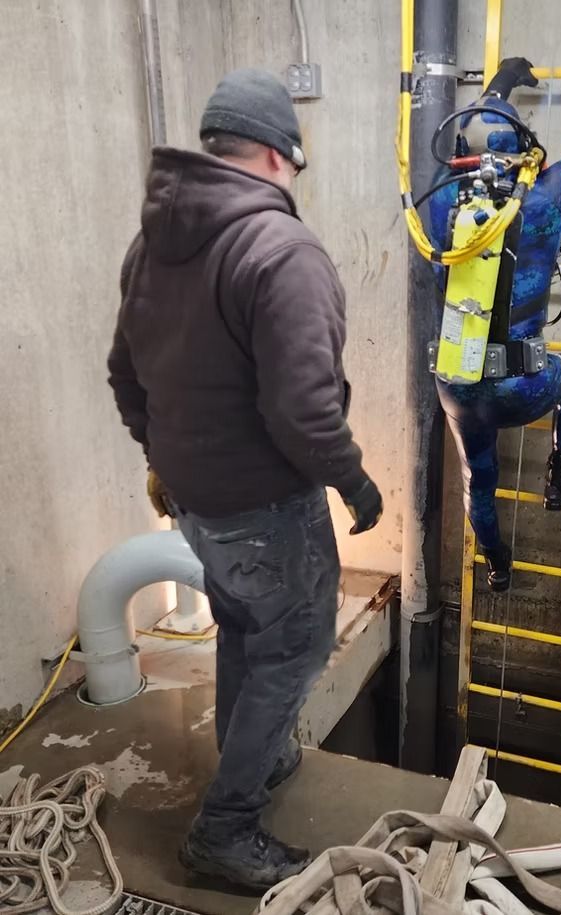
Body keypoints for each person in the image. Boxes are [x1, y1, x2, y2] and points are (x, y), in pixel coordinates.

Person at [107, 68, 382, 890]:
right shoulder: (281, 250)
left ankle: (251, 765)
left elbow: (125, 374)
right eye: (296, 161)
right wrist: (356, 484)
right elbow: (304, 412)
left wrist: (161, 459)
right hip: (264, 506)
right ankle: (225, 829)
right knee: (291, 650)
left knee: (241, 626)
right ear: (276, 154)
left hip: (194, 502)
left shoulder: (153, 242)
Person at [429, 56, 561, 591]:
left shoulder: (443, 199)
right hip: (521, 387)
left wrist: (499, 84)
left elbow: (466, 136)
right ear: (527, 157)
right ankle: (560, 476)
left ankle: (496, 564)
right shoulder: (547, 196)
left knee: (480, 479)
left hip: (456, 383)